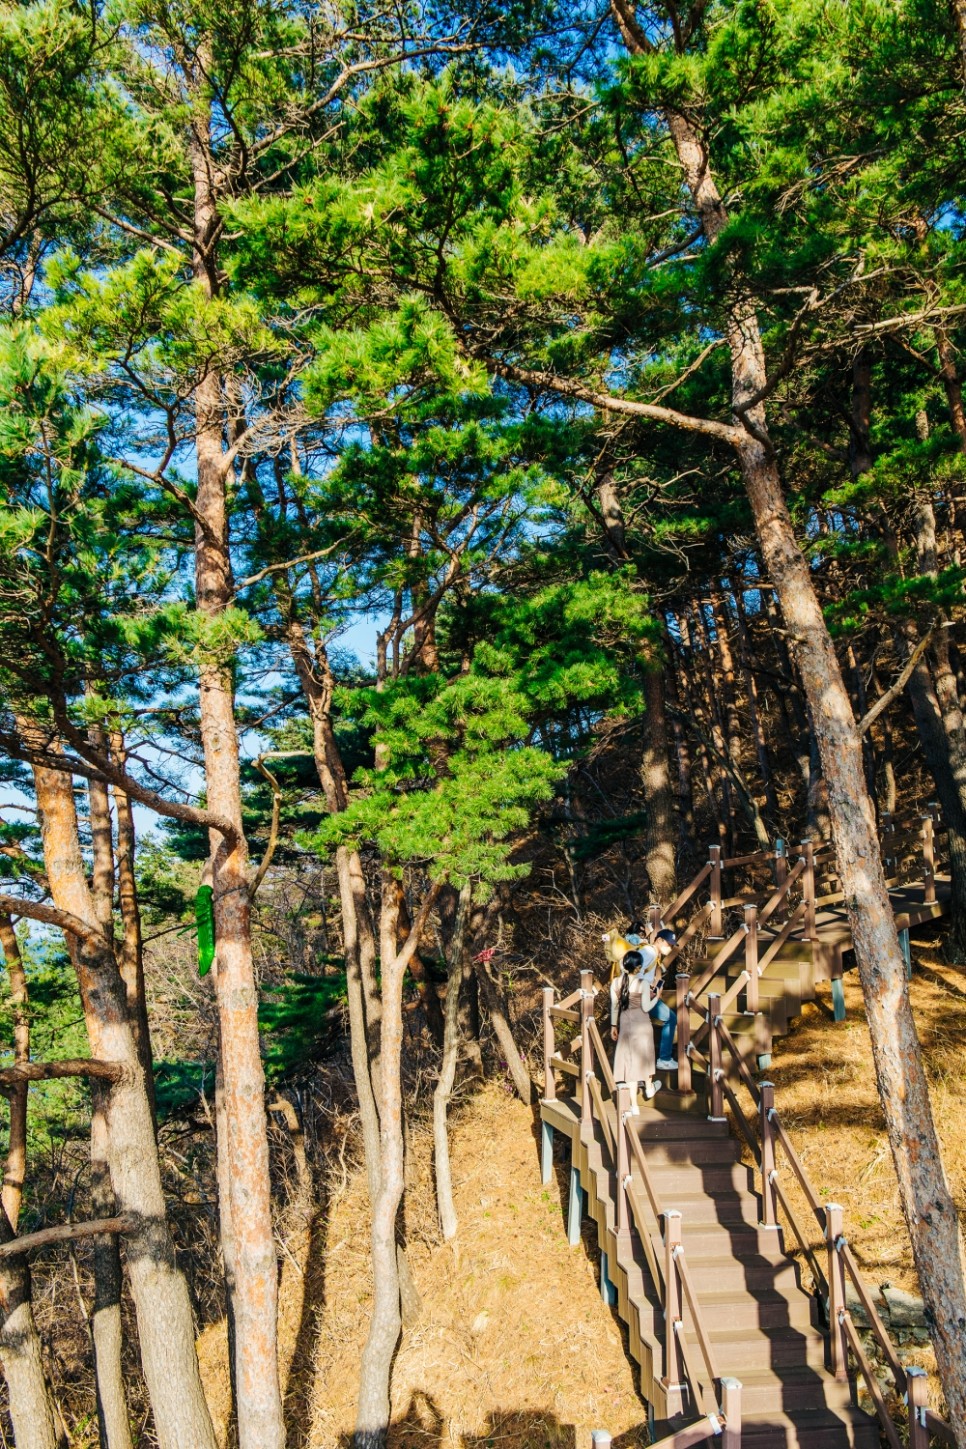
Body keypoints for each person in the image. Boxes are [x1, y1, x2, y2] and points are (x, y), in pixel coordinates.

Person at [610, 949, 661, 1112]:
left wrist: (613, 1026)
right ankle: (648, 1087)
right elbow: (646, 1007)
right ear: (638, 968)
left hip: (625, 1024)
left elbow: (614, 1006)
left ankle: (634, 1106)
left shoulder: (616, 983)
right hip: (642, 1025)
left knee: (630, 1064)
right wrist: (657, 997)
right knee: (645, 1057)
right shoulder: (643, 984)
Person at [645, 928, 678, 1072]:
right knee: (671, 1018)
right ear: (659, 940)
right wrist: (647, 991)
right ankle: (664, 1059)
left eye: (671, 946)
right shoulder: (649, 953)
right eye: (668, 944)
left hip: (643, 996)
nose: (669, 948)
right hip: (641, 998)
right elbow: (636, 974)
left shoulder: (652, 954)